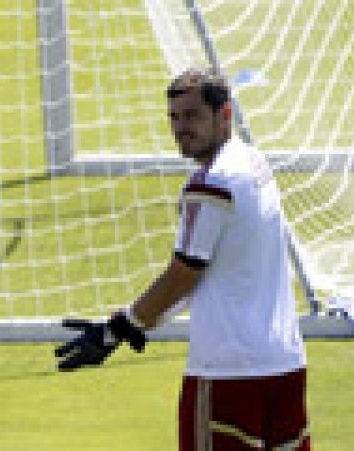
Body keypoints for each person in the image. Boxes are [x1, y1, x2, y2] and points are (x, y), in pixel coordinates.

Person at [56, 68, 310, 450]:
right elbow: (216, 272)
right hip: (285, 365)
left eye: (191, 116)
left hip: (227, 373)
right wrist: (142, 321)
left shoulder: (210, 184)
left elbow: (183, 275)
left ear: (224, 115)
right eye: (174, 117)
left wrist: (117, 329)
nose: (180, 128)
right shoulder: (256, 165)